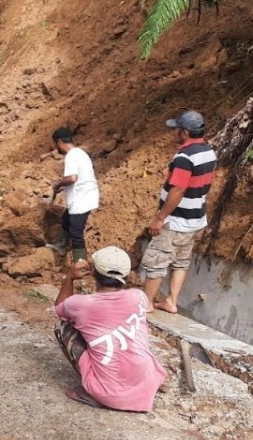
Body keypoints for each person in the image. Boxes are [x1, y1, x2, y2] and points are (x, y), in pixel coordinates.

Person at [54, 246, 167, 412]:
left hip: (110, 395)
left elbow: (59, 308)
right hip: (148, 383)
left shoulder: (81, 304)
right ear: (127, 276)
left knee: (62, 326)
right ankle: (138, 382)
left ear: (92, 272)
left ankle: (93, 391)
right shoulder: (139, 297)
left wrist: (70, 277)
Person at [142, 110, 217, 314]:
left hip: (176, 220)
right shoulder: (208, 151)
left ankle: (146, 303)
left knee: (157, 260)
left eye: (177, 129)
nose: (175, 132)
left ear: (184, 132)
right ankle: (171, 301)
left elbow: (179, 189)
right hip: (195, 219)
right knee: (181, 262)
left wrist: (160, 217)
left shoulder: (185, 157)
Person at [47, 127, 100, 263]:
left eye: (54, 144)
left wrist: (59, 184)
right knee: (66, 220)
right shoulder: (80, 153)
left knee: (76, 233)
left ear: (59, 142)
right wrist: (63, 186)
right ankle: (61, 245)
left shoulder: (70, 155)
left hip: (81, 199)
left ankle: (81, 266)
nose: (55, 148)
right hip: (87, 196)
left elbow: (72, 178)